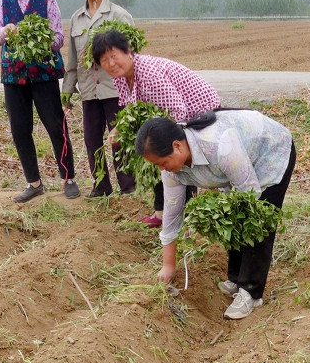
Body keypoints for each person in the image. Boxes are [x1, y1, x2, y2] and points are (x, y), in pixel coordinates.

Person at [135, 110, 295, 320]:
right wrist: (168, 266)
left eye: (162, 162)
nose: (162, 169)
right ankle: (236, 278)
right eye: (157, 165)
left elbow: (249, 195)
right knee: (230, 217)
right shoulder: (171, 171)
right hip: (238, 168)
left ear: (177, 145)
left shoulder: (219, 145)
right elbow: (172, 213)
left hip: (271, 152)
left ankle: (251, 292)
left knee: (257, 221)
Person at [92, 29, 220, 226]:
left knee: (179, 159)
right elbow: (133, 106)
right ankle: (162, 214)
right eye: (104, 60)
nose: (110, 64)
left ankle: (189, 217)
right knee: (155, 158)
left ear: (128, 50)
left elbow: (177, 112)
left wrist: (167, 142)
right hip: (174, 113)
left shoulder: (149, 74)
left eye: (113, 56)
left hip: (199, 111)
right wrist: (119, 128)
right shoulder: (120, 76)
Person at [0, 0, 79, 203]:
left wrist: (38, 37)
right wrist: (7, 31)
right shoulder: (3, 1)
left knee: (55, 125)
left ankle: (69, 178)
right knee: (20, 128)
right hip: (14, 77)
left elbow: (59, 37)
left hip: (44, 75)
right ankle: (34, 183)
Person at [61, 0, 137, 198]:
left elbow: (132, 54)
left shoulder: (119, 15)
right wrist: (68, 87)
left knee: (118, 137)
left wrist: (134, 86)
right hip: (88, 90)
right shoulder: (76, 18)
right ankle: (101, 185)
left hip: (115, 88)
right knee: (92, 139)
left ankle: (128, 186)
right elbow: (73, 57)